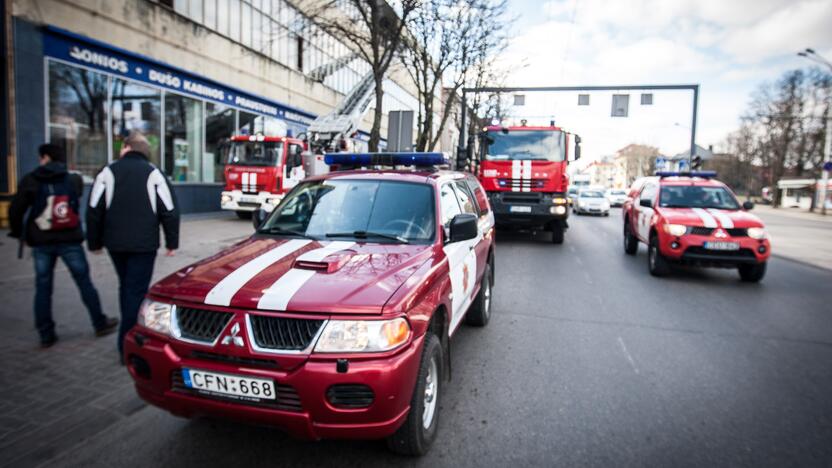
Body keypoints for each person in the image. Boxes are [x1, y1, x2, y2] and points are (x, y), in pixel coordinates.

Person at [8, 144, 118, 347]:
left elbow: (16, 210)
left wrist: (17, 232)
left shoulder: (31, 180)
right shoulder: (73, 179)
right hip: (70, 239)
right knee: (84, 282)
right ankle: (99, 322)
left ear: (46, 157)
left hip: (41, 241)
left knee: (43, 287)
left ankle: (46, 334)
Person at [86, 131, 180, 361]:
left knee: (126, 287)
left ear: (126, 147)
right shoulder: (153, 173)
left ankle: (127, 343)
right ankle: (128, 346)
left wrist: (94, 242)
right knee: (135, 291)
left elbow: (93, 210)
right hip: (143, 245)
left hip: (115, 244)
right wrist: (171, 242)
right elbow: (169, 210)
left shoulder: (108, 172)